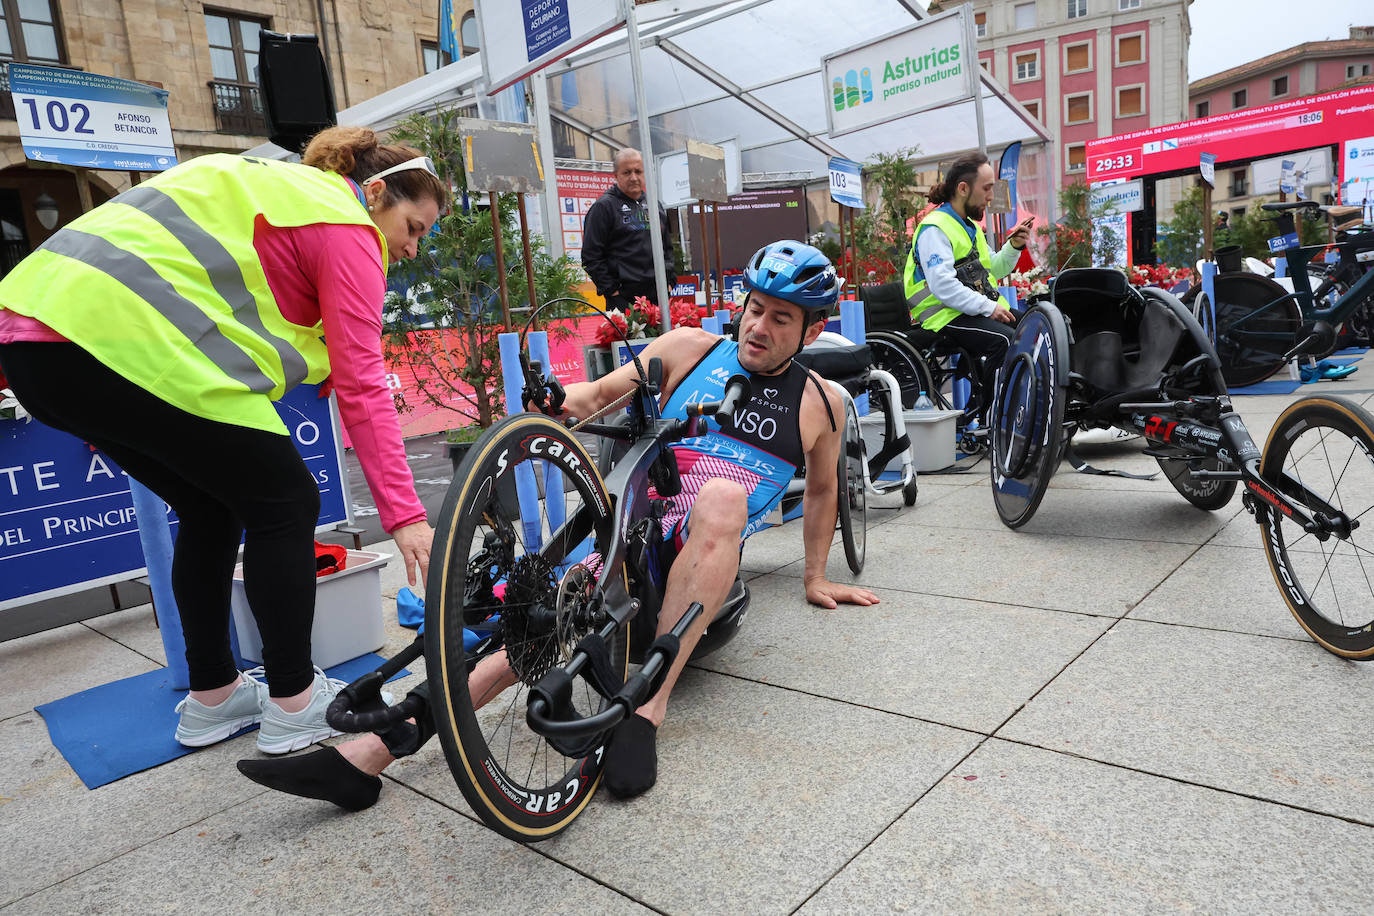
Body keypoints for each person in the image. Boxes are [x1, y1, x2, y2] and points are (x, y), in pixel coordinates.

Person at [234, 240, 881, 810]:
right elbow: (596, 398)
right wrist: (554, 403)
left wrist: (815, 577)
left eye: (781, 318)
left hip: (710, 571)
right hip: (638, 526)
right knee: (539, 623)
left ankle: (647, 710)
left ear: (813, 329)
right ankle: (371, 754)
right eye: (755, 308)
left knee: (722, 500)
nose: (759, 326)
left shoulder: (825, 403)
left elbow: (824, 491)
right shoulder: (691, 350)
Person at [0, 128, 447, 755]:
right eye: (414, 226)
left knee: (212, 507)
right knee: (287, 502)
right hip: (113, 342)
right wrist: (405, 516)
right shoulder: (347, 223)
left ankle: (213, 695)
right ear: (375, 193)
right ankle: (294, 702)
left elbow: (249, 306)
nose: (411, 247)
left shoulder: (277, 188)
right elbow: (364, 384)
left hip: (39, 344)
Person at [903, 152, 1032, 406]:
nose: (991, 197)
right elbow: (943, 286)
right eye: (986, 189)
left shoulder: (970, 227)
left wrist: (1014, 246)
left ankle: (1022, 406)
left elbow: (992, 268)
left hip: (966, 310)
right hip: (942, 315)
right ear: (963, 188)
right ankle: (990, 415)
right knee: (1005, 340)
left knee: (1035, 325)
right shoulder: (935, 228)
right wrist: (988, 307)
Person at [581, 147, 674, 312]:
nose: (634, 177)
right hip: (624, 299)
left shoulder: (655, 205)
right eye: (627, 172)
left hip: (658, 296)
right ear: (616, 175)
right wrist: (612, 291)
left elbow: (667, 247)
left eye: (638, 171)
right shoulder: (603, 207)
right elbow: (591, 257)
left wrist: (669, 282)